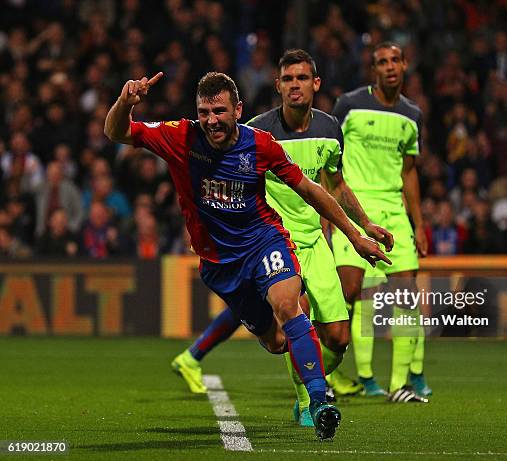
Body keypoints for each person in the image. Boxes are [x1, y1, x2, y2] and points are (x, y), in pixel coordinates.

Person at [104, 70, 391, 440]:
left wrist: (355, 235)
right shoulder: (181, 136)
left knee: (290, 306)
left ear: (238, 109)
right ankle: (303, 378)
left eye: (219, 111)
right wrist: (125, 102)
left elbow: (310, 189)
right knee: (275, 342)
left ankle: (318, 401)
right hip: (221, 263)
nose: (211, 121)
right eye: (204, 112)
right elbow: (116, 132)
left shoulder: (261, 144)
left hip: (264, 241)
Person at [329, 42, 432, 402]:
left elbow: (410, 174)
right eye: (381, 62)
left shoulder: (412, 115)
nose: (389, 67)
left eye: (394, 60)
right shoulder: (349, 105)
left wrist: (418, 223)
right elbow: (331, 161)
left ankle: (400, 384)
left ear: (405, 65)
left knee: (406, 296)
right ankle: (325, 370)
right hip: (356, 210)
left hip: (394, 212)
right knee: (348, 294)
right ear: (374, 70)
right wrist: (329, 212)